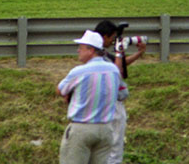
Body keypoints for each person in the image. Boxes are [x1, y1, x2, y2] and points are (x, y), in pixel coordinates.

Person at [57, 30, 121, 164]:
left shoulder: (79, 71)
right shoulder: (113, 69)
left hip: (82, 127)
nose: (78, 50)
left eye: (81, 47)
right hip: (106, 128)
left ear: (91, 50)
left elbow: (61, 90)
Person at [95, 20, 146, 164]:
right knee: (114, 149)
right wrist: (119, 51)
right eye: (112, 38)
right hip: (112, 105)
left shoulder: (98, 53)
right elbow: (116, 73)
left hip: (103, 105)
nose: (113, 42)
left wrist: (139, 53)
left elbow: (120, 64)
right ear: (104, 37)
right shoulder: (98, 56)